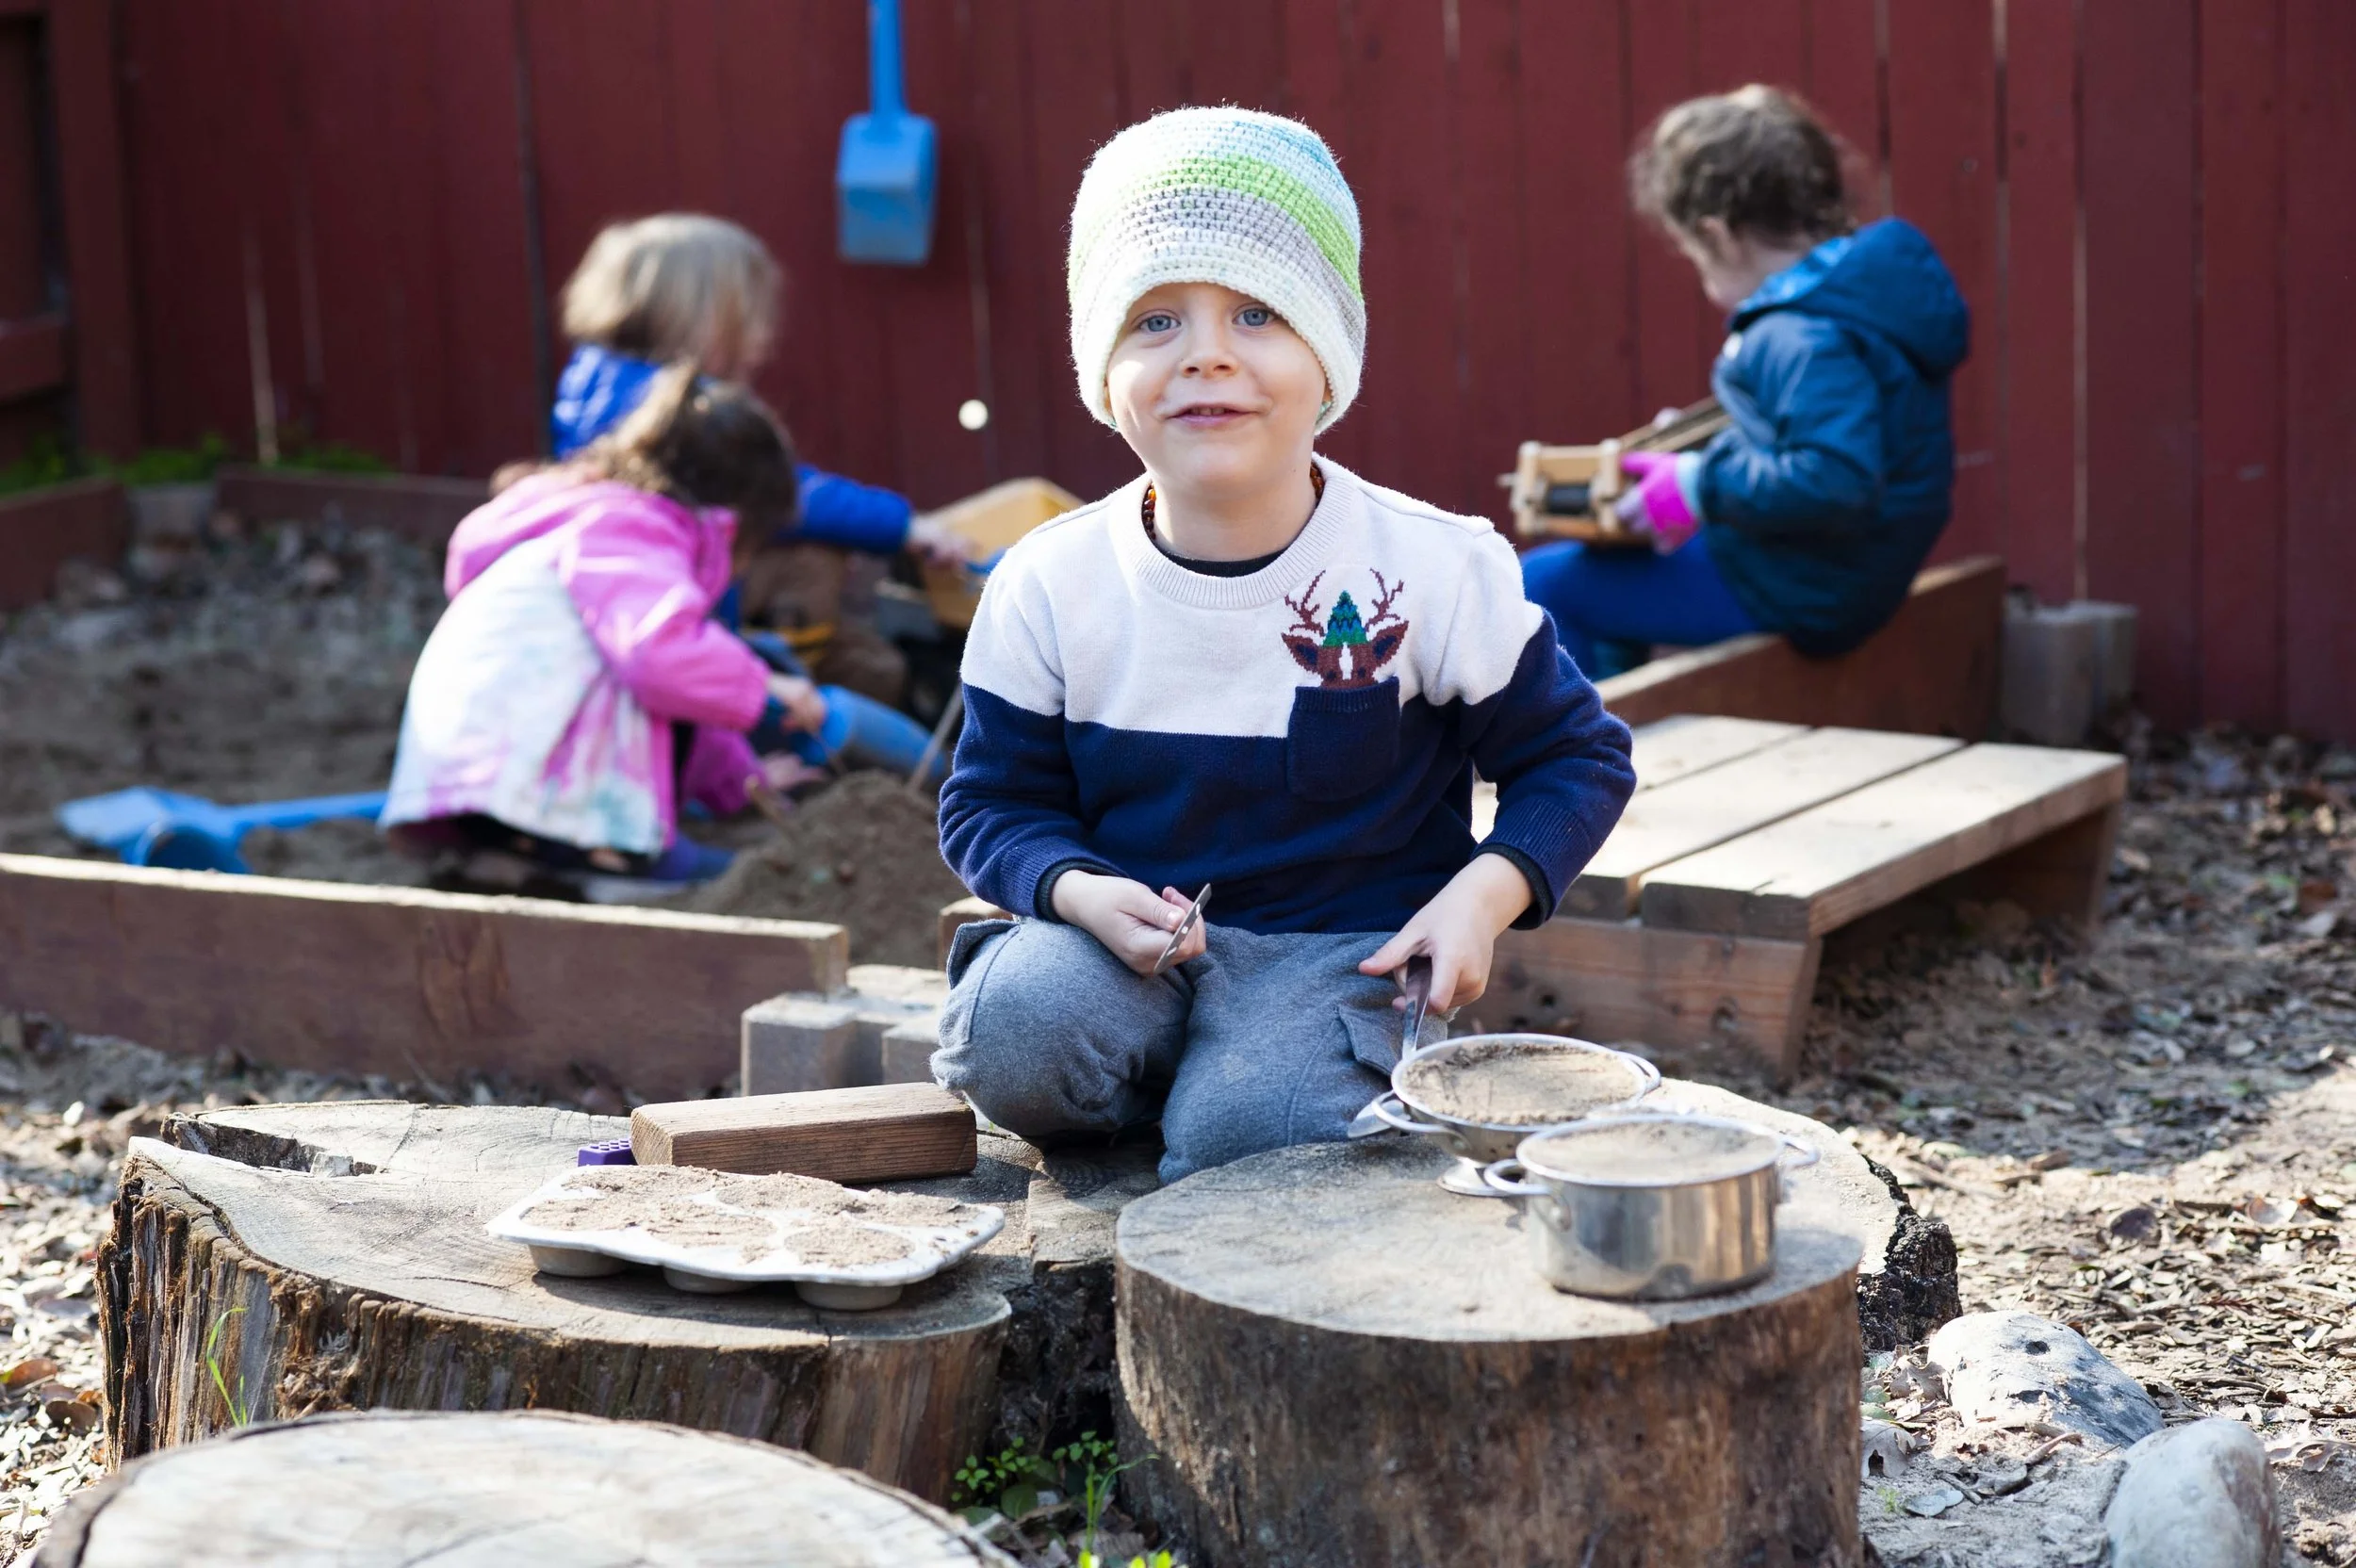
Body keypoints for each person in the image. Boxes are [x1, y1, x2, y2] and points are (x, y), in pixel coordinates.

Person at [929, 107, 1636, 1184]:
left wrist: (1482, 894)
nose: (1206, 354)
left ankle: (1256, 1090)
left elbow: (1576, 757)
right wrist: (1072, 889)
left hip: (1338, 956)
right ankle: (1188, 1074)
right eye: (1154, 320)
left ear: (1328, 354)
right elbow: (988, 802)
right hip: (1131, 948)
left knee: (1255, 1143)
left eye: (1257, 313)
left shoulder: (1431, 567)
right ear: (1102, 365)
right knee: (1012, 1036)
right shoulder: (1048, 580)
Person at [1520, 85, 1971, 673]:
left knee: (1545, 586)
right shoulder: (1849, 296)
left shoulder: (1797, 334)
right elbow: (1822, 438)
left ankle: (1586, 757)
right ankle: (1625, 724)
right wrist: (1710, 451)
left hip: (1810, 585)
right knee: (1604, 572)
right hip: (1843, 565)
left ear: (1717, 235)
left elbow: (1834, 476)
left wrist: (1700, 483)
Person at [381, 366, 827, 886]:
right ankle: (598, 852)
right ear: (731, 521)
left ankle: (520, 851)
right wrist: (767, 684)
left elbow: (680, 702)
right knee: (723, 877)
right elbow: (659, 659)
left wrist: (745, 782)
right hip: (541, 791)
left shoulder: (580, 526)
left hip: (471, 782)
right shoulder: (630, 529)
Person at [549, 214, 957, 703]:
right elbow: (781, 494)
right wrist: (902, 526)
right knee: (813, 558)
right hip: (667, 591)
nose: (764, 334)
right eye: (748, 316)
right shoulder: (666, 408)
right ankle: (772, 691)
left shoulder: (598, 380)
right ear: (696, 315)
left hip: (636, 581)